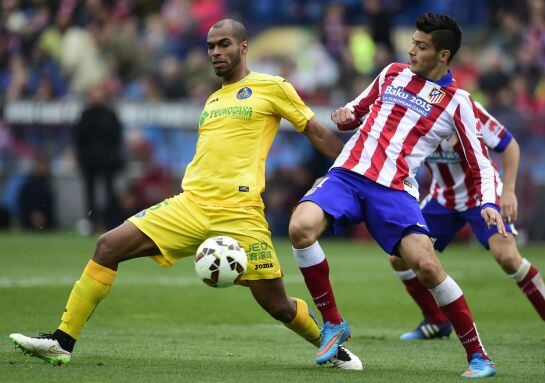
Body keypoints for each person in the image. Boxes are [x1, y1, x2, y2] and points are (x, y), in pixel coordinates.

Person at [9, 19, 362, 370]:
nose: (215, 52)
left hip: (240, 214)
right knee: (108, 246)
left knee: (277, 304)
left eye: (224, 44)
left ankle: (329, 344)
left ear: (243, 47)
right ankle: (62, 340)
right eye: (210, 46)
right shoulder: (211, 100)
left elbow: (315, 130)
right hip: (189, 205)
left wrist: (354, 169)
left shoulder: (272, 87)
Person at [288, 13, 506, 378]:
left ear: (443, 55)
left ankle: (478, 355)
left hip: (394, 190)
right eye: (413, 43)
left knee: (426, 266)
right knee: (300, 227)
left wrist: (489, 202)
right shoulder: (391, 73)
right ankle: (333, 323)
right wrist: (344, 116)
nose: (411, 50)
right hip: (348, 174)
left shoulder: (458, 102)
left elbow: (480, 161)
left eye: (421, 46)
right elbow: (354, 113)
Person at [391, 101, 545, 340]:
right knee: (399, 258)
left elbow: (510, 145)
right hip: (442, 200)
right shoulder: (411, 111)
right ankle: (436, 321)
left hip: (481, 198)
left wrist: (509, 191)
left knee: (508, 258)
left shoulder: (463, 106)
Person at [73, 83, 124, 230]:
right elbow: (79, 138)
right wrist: (81, 158)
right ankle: (91, 222)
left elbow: (116, 138)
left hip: (107, 161)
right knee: (89, 193)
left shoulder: (110, 114)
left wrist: (112, 156)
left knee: (109, 192)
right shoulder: (85, 115)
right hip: (89, 161)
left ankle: (110, 221)